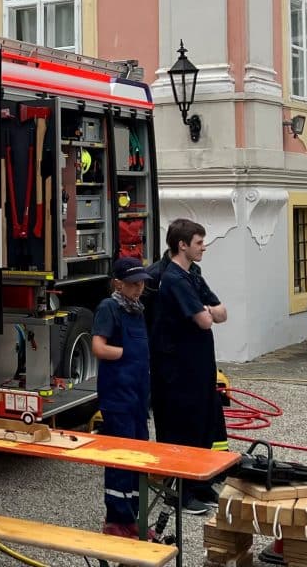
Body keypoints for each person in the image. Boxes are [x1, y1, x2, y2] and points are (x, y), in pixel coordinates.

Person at [149, 218, 227, 514]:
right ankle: (179, 493)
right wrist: (208, 312)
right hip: (176, 370)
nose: (203, 247)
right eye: (198, 243)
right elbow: (206, 319)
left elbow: (222, 312)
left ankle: (199, 482)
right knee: (180, 428)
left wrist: (207, 310)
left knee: (202, 424)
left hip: (199, 366)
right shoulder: (173, 279)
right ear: (182, 245)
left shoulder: (193, 273)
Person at [92, 256, 154, 537]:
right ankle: (116, 520)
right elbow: (98, 348)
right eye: (132, 283)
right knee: (121, 456)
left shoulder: (137, 310)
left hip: (138, 395)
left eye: (141, 282)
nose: (138, 288)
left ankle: (134, 520)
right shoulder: (110, 308)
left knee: (139, 454)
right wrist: (125, 353)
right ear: (118, 283)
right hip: (118, 395)